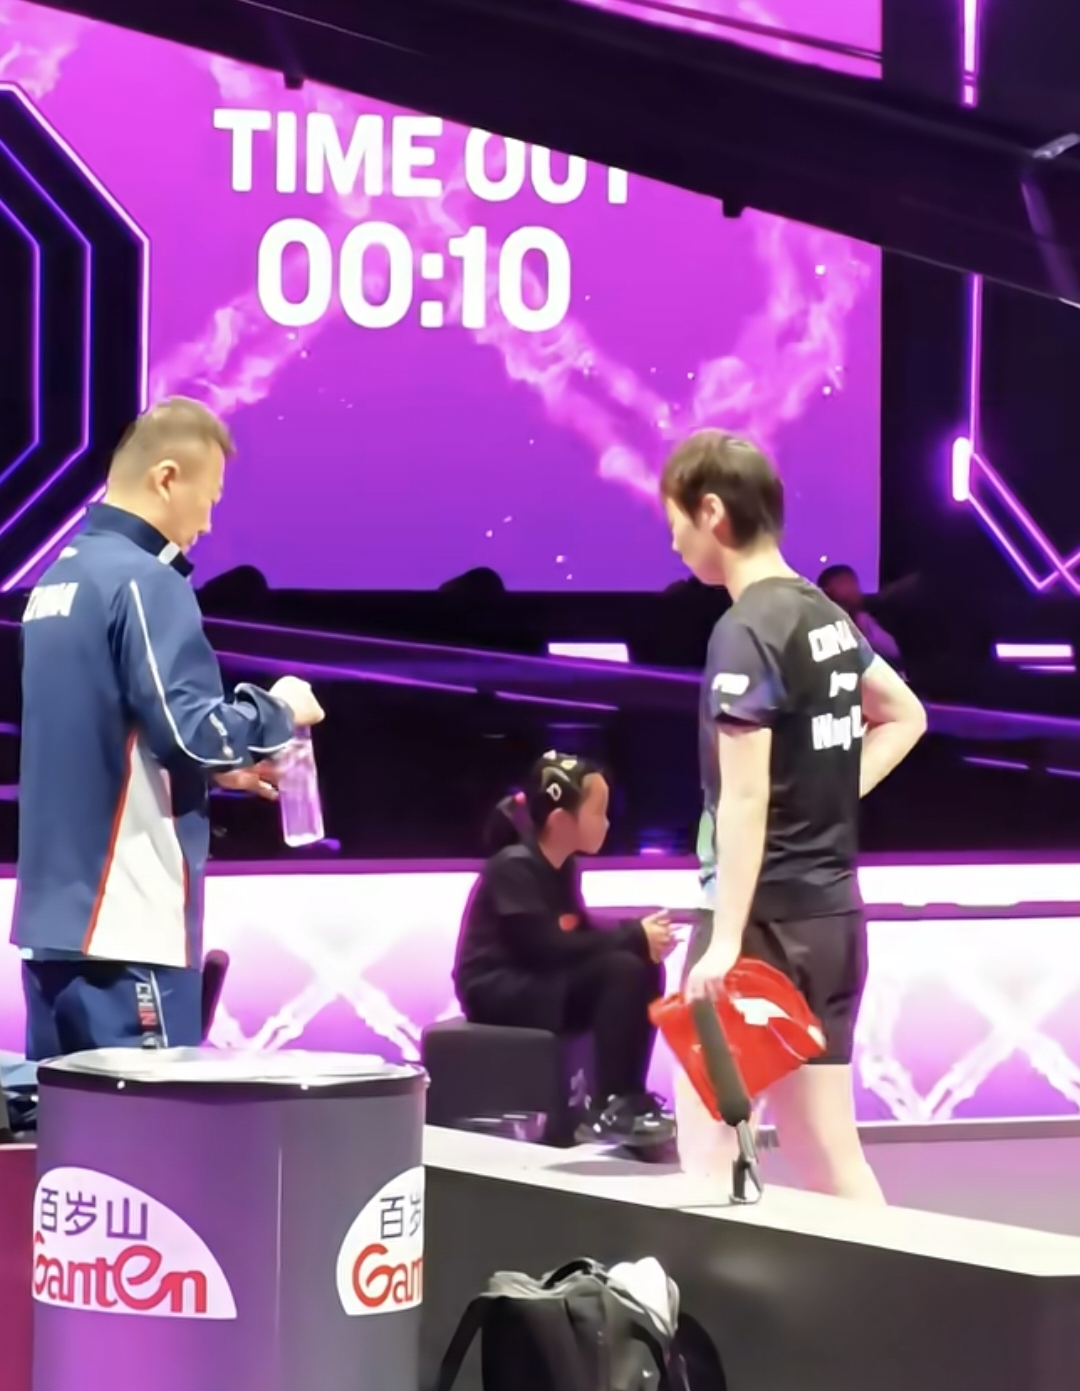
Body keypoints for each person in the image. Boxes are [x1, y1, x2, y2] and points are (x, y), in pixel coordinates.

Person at [14, 397, 325, 1059]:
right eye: (208, 499)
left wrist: (215, 772)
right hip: (128, 931)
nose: (208, 523)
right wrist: (280, 709)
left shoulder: (57, 581)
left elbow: (108, 739)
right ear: (166, 479)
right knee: (143, 1128)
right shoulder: (146, 582)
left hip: (53, 934)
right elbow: (191, 734)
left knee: (66, 1126)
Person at [661, 430, 927, 1202]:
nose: (673, 541)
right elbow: (905, 714)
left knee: (708, 1155)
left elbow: (744, 798)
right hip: (833, 921)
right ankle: (891, 1286)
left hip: (759, 926)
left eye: (675, 520)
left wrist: (724, 942)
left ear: (712, 512)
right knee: (828, 1157)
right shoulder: (824, 614)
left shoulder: (746, 629)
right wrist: (828, 794)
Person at [454, 752, 678, 1148]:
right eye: (598, 813)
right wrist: (630, 935)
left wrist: (640, 935)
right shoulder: (514, 866)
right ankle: (609, 1102)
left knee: (643, 964)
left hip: (536, 977)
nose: (607, 823)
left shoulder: (564, 867)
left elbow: (577, 929)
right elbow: (544, 947)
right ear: (560, 821)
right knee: (620, 969)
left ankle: (629, 1095)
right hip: (497, 987)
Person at [817, 564, 905, 673]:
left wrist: (860, 625)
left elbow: (893, 652)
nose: (853, 589)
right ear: (827, 590)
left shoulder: (864, 619)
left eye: (853, 583)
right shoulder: (820, 624)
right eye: (844, 583)